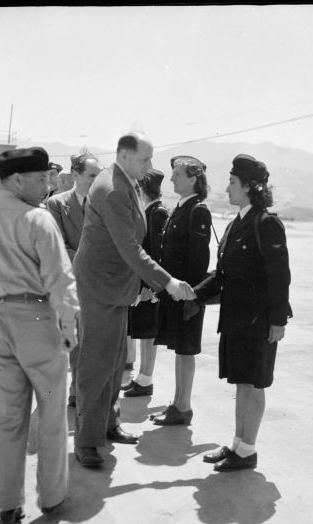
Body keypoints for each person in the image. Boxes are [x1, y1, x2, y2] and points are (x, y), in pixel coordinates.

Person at [72, 132, 194, 468]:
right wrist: (166, 281)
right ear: (124, 156)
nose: (150, 166)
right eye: (145, 159)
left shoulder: (122, 181)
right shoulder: (113, 190)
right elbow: (130, 247)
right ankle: (86, 441)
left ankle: (107, 425)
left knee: (113, 362)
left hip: (113, 285)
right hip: (100, 287)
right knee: (97, 364)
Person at [0, 147, 80, 524]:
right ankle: (51, 498)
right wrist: (68, 328)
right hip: (37, 325)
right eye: (40, 178)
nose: (47, 184)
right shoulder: (39, 220)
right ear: (16, 180)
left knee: (6, 416)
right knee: (51, 411)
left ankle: (7, 504)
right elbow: (61, 282)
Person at [188, 154, 292, 471]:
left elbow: (280, 277)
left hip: (259, 321)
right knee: (241, 384)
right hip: (235, 320)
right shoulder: (236, 225)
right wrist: (192, 293)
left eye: (233, 183)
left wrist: (277, 321)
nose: (227, 187)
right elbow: (222, 275)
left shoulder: (266, 224)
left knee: (253, 384)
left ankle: (248, 450)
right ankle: (237, 444)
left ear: (249, 187)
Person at [151, 156, 212, 425]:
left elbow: (198, 261)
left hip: (188, 295)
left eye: (177, 174)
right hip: (178, 293)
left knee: (186, 351)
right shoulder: (181, 208)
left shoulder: (198, 211)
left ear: (193, 179)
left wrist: (189, 294)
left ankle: (183, 407)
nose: (172, 178)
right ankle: (177, 404)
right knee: (180, 350)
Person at [47, 153, 103, 406]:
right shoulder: (56, 204)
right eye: (92, 175)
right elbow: (58, 244)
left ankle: (87, 391)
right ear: (76, 175)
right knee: (73, 339)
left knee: (96, 341)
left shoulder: (105, 205)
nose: (96, 180)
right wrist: (91, 260)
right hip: (72, 282)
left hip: (101, 283)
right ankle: (74, 390)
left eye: (99, 176)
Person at [123, 169, 169, 397]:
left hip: (149, 285)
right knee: (144, 331)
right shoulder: (149, 211)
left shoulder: (157, 213)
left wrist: (151, 285)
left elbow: (157, 253)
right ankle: (142, 377)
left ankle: (146, 379)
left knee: (149, 332)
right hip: (144, 281)